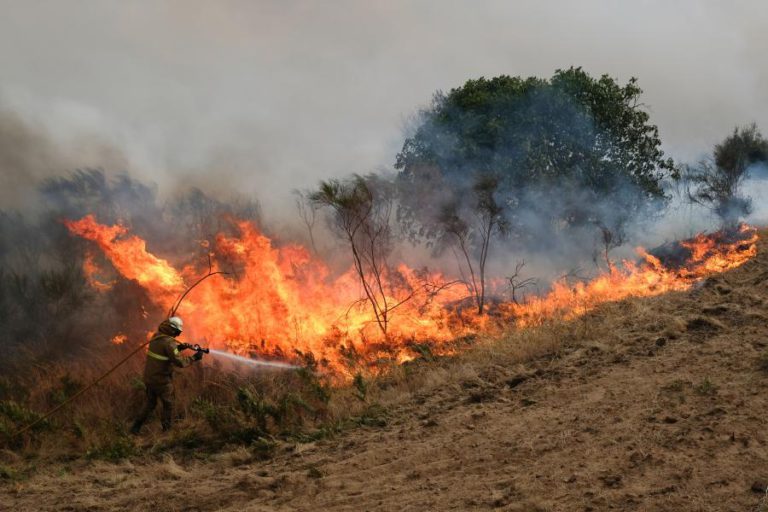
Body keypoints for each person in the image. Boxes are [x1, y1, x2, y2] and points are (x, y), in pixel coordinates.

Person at [130, 316, 203, 434]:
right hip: (162, 380)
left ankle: (135, 427)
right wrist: (195, 357)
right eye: (177, 332)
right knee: (169, 404)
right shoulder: (169, 343)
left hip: (149, 378)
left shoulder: (156, 336)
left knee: (150, 404)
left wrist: (179, 347)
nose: (177, 335)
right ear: (172, 330)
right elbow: (179, 362)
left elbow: (164, 351)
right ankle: (167, 430)